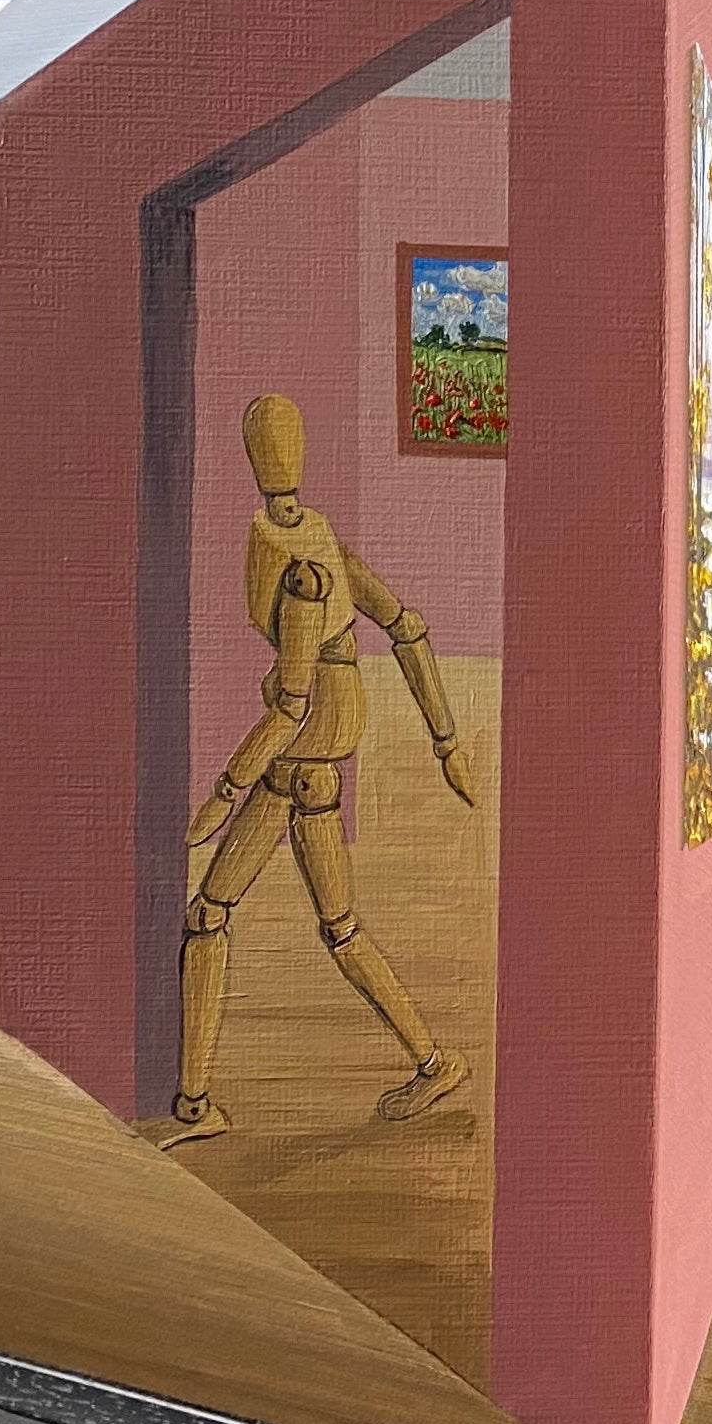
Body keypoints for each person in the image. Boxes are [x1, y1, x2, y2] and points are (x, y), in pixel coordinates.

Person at [145, 391, 478, 1150]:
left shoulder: (302, 574)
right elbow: (407, 629)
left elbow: (291, 708)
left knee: (211, 915)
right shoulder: (323, 542)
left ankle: (195, 1105)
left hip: (296, 762)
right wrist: (445, 741)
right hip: (312, 770)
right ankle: (431, 1062)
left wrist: (223, 792)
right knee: (338, 925)